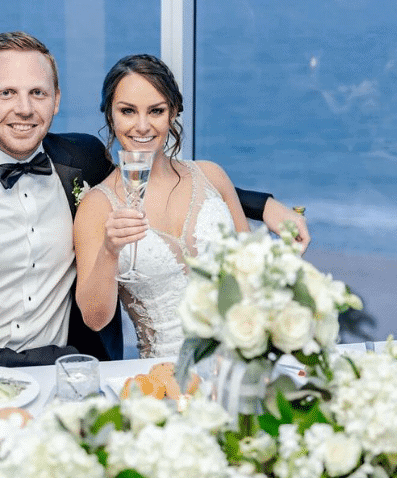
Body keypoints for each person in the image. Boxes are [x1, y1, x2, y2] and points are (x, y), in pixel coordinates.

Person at [0, 32, 306, 375]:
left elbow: (161, 170)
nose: (24, 108)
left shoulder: (81, 159)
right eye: (6, 92)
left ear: (56, 100)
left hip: (62, 371)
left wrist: (261, 204)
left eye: (37, 93)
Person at [74, 54, 304, 358]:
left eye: (156, 111)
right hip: (164, 376)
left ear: (173, 113)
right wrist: (109, 251)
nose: (142, 126)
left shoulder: (212, 176)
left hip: (242, 360)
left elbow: (254, 278)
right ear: (111, 117)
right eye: (127, 111)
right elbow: (94, 318)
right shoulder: (96, 206)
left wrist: (283, 258)